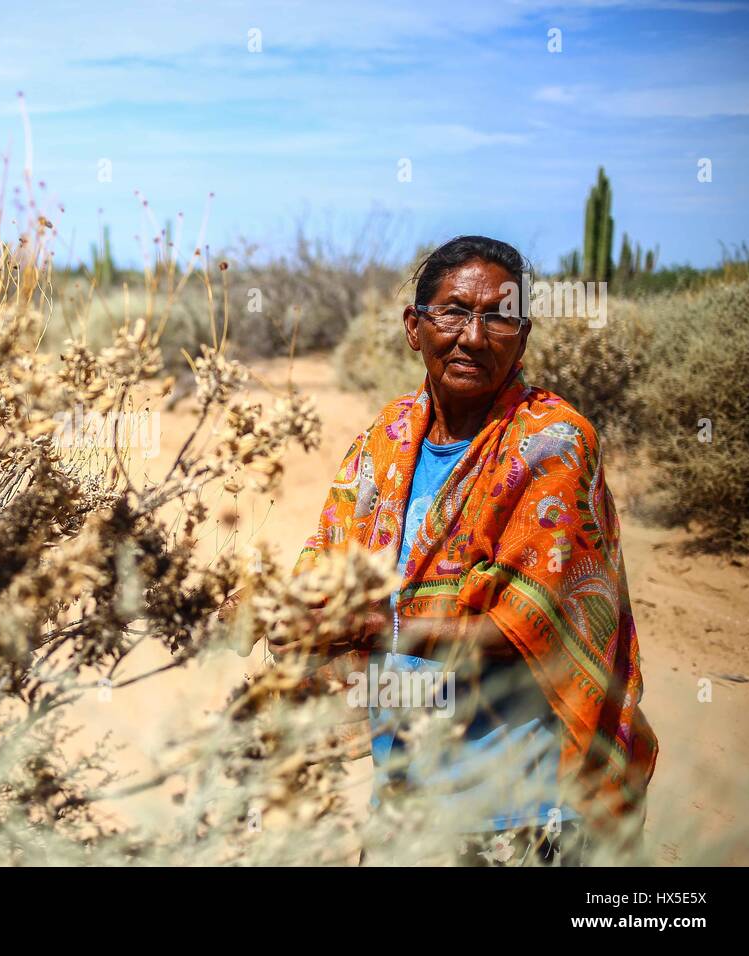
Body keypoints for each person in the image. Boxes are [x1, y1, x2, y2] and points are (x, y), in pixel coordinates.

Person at [279, 235, 657, 865]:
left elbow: (522, 630)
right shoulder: (388, 438)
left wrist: (385, 624)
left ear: (524, 335)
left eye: (499, 317)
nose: (475, 337)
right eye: (453, 312)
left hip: (519, 811)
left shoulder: (552, 444)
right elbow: (328, 569)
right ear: (413, 326)